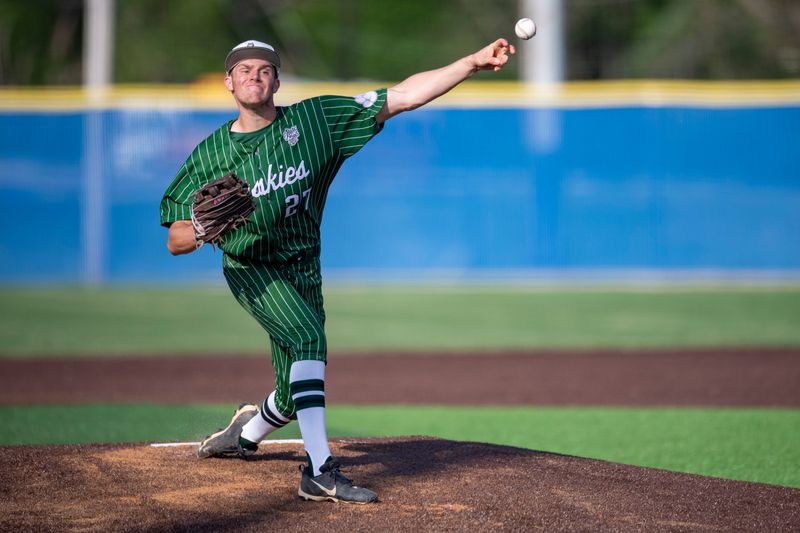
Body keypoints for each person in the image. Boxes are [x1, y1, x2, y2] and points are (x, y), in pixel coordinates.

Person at [160, 37, 515, 504]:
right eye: (243, 69)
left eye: (264, 69)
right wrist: (205, 224)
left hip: (304, 264)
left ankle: (244, 435)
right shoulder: (208, 156)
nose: (253, 75)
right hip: (252, 268)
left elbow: (403, 96)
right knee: (309, 340)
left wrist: (470, 63)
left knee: (294, 390)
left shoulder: (314, 121)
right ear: (228, 82)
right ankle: (320, 470)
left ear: (277, 80)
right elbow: (175, 240)